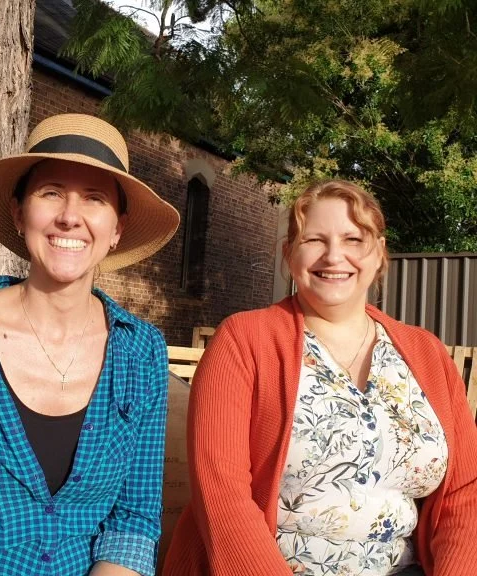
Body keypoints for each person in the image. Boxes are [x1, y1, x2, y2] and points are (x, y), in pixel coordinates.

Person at [0, 114, 180, 576]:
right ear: (18, 212)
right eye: (51, 193)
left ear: (116, 229)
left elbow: (133, 520)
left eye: (94, 198)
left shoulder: (142, 351)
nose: (70, 216)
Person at [163, 180, 477, 576]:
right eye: (314, 239)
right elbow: (222, 495)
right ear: (289, 254)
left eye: (353, 238)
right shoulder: (243, 341)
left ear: (379, 254)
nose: (334, 255)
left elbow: (466, 492)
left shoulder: (427, 353)